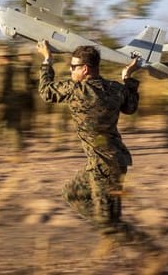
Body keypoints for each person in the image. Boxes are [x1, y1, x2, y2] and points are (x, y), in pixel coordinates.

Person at [36, 40, 142, 240]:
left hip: (104, 167)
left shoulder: (76, 90)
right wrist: (128, 78)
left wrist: (47, 60)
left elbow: (46, 92)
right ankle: (113, 229)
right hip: (111, 162)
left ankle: (152, 254)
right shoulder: (115, 88)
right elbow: (130, 107)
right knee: (72, 193)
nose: (70, 70)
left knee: (109, 225)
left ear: (84, 69)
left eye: (73, 67)